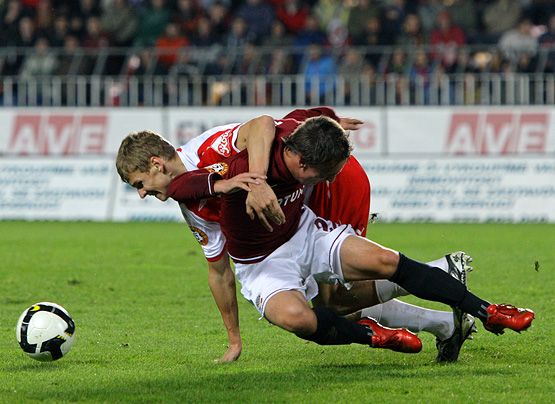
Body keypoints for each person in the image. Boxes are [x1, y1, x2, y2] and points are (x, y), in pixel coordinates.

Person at [120, 113, 534, 356]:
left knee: (365, 277)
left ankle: (480, 306)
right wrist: (234, 339)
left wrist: (258, 179)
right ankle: (413, 327)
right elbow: (218, 268)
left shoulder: (213, 149)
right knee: (310, 313)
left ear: (156, 162)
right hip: (264, 262)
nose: (141, 194)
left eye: (140, 183)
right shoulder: (186, 195)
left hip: (311, 213)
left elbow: (264, 124)